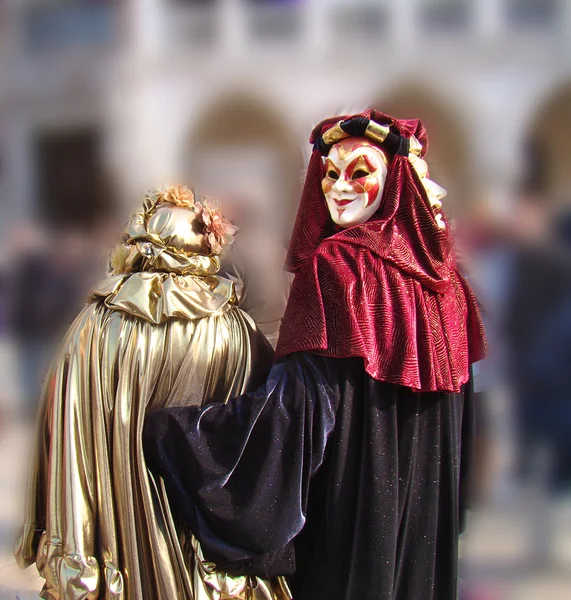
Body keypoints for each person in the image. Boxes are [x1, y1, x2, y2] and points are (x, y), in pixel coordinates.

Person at [143, 110, 487, 600]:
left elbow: (296, 417)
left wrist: (185, 438)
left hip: (353, 525)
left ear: (395, 181)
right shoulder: (446, 280)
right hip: (423, 526)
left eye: (360, 173)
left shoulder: (337, 265)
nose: (339, 188)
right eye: (329, 173)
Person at [15, 186, 291, 600]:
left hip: (115, 514)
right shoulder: (235, 330)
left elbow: (63, 413)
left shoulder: (92, 326)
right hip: (203, 521)